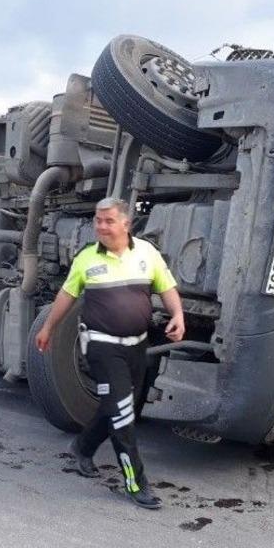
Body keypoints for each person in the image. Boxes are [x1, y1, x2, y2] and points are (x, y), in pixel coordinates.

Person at [35, 197, 184, 510]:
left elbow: (166, 286)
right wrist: (48, 328)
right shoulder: (87, 259)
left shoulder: (147, 253)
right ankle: (135, 482)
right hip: (102, 346)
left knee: (118, 406)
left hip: (138, 346)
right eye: (97, 221)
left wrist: (177, 314)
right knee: (123, 417)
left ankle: (82, 448)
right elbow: (66, 295)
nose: (101, 226)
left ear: (125, 224)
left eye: (108, 221)